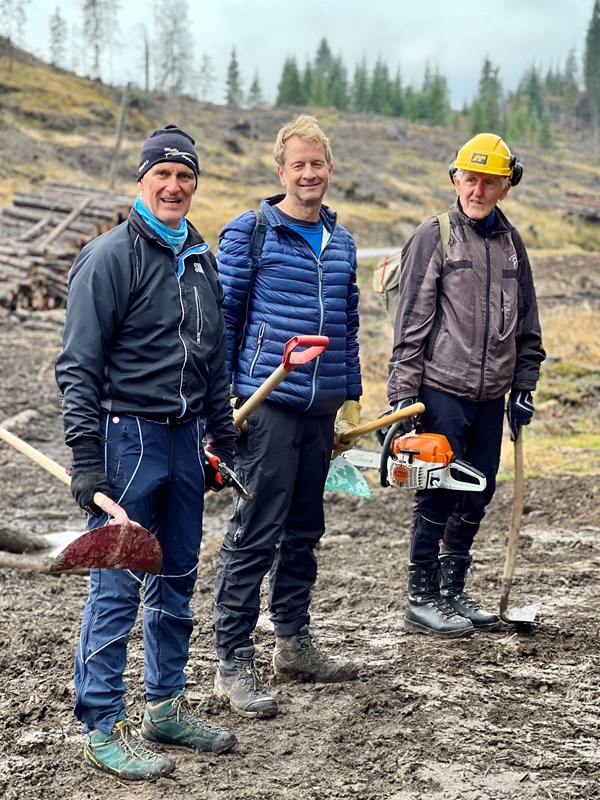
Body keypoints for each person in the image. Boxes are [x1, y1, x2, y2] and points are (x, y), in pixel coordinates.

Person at [55, 124, 237, 781]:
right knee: (119, 580)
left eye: (185, 175)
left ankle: (163, 704)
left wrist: (224, 438)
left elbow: (213, 359)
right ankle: (102, 727)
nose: (174, 185)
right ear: (141, 181)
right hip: (127, 437)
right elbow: (77, 363)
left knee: (177, 575)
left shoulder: (198, 257)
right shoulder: (108, 257)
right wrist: (85, 456)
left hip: (185, 438)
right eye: (162, 174)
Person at [211, 114, 362, 718]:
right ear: (280, 172)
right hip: (265, 404)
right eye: (298, 165)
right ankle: (232, 661)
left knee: (304, 530)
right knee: (255, 530)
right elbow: (221, 321)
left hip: (319, 410)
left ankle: (293, 642)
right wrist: (219, 401)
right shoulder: (251, 231)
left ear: (329, 170)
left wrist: (349, 398)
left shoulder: (343, 240)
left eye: (317, 164)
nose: (309, 174)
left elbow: (348, 326)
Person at [387, 132, 545, 638]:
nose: (477, 190)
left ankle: (453, 590)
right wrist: (403, 400)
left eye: (489, 182)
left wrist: (524, 384)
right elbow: (410, 325)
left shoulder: (511, 244)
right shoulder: (434, 235)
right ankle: (421, 597)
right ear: (455, 179)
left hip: (491, 395)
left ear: (505, 186)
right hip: (441, 390)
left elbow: (527, 324)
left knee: (478, 494)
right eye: (469, 179)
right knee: (436, 492)